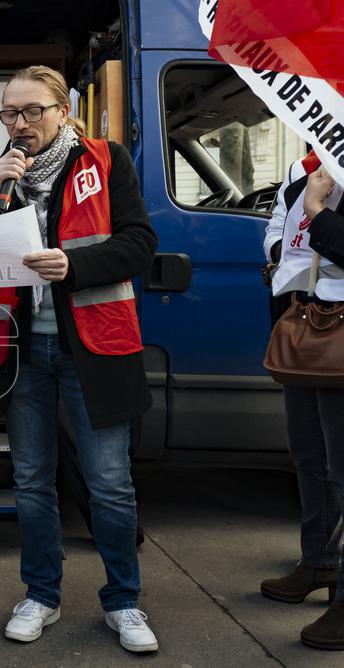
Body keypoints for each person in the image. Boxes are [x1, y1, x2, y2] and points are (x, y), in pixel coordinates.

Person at [0, 66, 159, 653]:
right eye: (9, 114)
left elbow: (139, 244)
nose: (19, 125)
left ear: (63, 110)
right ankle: (41, 593)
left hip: (93, 347)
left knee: (110, 483)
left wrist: (74, 265)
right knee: (32, 481)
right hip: (20, 350)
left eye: (32, 112)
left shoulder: (105, 160)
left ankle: (124, 601)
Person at [261, 156, 344, 651]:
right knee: (309, 456)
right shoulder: (303, 165)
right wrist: (279, 255)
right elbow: (277, 221)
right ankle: (319, 562)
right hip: (307, 318)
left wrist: (318, 211)